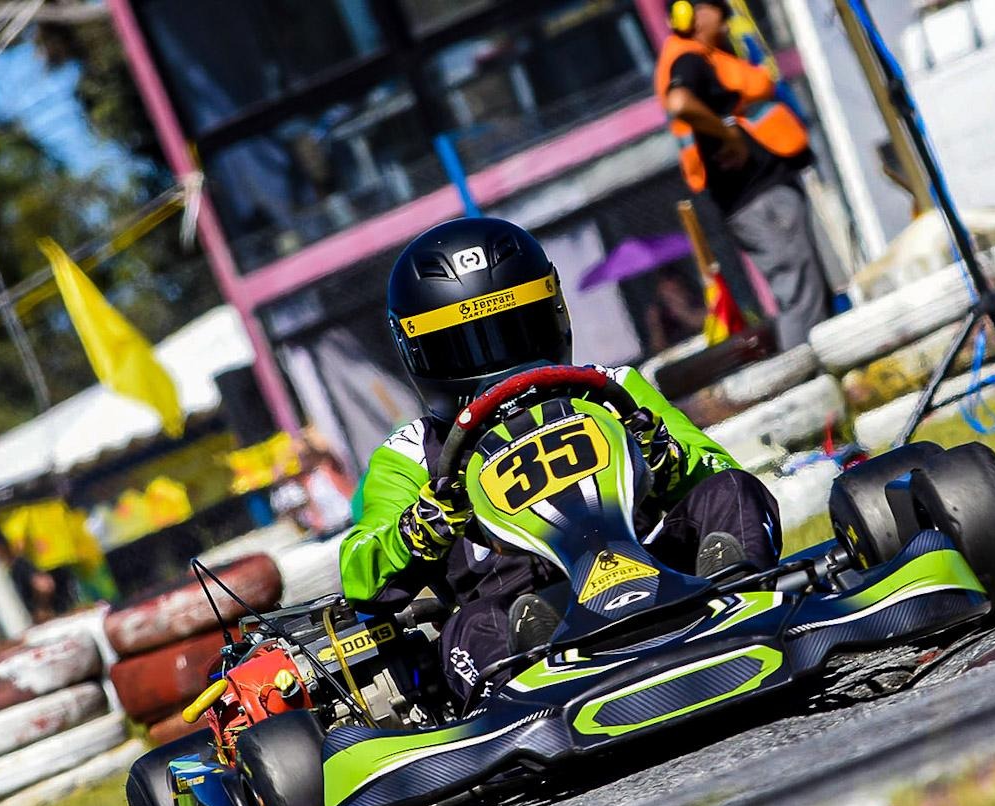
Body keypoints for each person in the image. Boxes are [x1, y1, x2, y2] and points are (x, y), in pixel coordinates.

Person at [339, 217, 781, 707]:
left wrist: (667, 459)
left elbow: (716, 470)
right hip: (523, 608)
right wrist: (415, 531)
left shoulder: (612, 388)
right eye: (463, 347)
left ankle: (741, 591)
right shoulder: (410, 456)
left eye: (515, 330)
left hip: (663, 567)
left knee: (731, 492)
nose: (498, 364)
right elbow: (359, 571)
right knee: (469, 626)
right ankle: (523, 690)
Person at [655, 0, 829, 352]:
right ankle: (812, 382)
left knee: (805, 293)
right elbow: (680, 102)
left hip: (761, 197)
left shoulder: (698, 59)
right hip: (761, 200)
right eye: (721, 15)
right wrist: (728, 133)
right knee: (799, 297)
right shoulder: (689, 61)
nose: (725, 26)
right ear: (697, 13)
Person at [644, 265, 709, 353]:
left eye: (675, 292)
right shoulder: (664, 319)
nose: (673, 298)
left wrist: (682, 311)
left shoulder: (701, 301)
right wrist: (655, 326)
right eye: (667, 297)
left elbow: (706, 320)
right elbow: (659, 350)